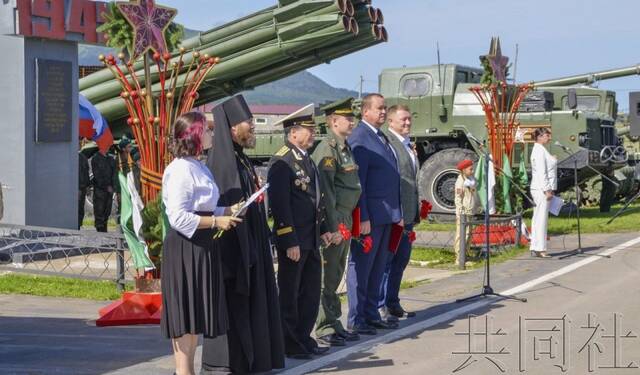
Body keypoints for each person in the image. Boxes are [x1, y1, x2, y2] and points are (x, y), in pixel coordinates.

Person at [201, 95, 285, 374]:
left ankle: (255, 360)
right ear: (233, 127)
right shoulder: (222, 162)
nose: (253, 127)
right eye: (248, 122)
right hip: (232, 254)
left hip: (252, 245)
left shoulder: (241, 159)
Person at [160, 111, 242, 375]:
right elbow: (178, 217)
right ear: (194, 134)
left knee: (195, 316)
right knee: (185, 317)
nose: (211, 135)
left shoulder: (199, 166)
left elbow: (206, 208)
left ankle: (187, 372)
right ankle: (184, 372)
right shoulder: (180, 169)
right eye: (207, 130)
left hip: (201, 246)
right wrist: (216, 223)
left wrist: (228, 211)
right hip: (185, 247)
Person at [267, 104, 332, 359]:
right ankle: (289, 342)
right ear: (293, 133)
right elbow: (280, 206)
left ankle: (303, 337)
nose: (313, 133)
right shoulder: (282, 161)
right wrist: (288, 239)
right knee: (291, 293)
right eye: (309, 129)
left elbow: (316, 199)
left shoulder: (306, 158)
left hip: (311, 237)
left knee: (310, 291)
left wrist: (324, 228)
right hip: (295, 240)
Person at [346, 93, 402, 335]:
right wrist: (364, 216)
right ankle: (356, 317)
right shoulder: (360, 138)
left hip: (386, 215)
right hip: (370, 217)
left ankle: (370, 313)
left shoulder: (379, 137)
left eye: (385, 108)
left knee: (378, 267)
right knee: (361, 266)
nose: (383, 112)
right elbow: (360, 183)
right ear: (365, 111)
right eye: (379, 108)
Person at [312, 98, 362, 347]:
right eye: (347, 118)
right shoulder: (328, 149)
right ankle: (324, 326)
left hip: (345, 217)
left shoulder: (344, 147)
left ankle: (334, 322)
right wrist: (333, 227)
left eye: (352, 118)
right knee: (327, 275)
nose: (352, 122)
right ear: (333, 121)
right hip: (336, 218)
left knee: (336, 273)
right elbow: (327, 193)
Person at [379, 105, 419, 322]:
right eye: (403, 119)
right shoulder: (389, 144)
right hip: (396, 215)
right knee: (387, 261)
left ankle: (393, 302)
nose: (407, 123)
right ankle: (381, 304)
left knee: (401, 260)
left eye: (409, 119)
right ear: (391, 122)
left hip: (408, 215)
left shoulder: (407, 144)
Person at [529, 127, 556, 258]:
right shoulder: (539, 151)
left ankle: (536, 246)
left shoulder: (541, 150)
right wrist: (547, 190)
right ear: (539, 137)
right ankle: (540, 248)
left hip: (539, 188)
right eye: (547, 135)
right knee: (541, 219)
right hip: (541, 189)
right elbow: (541, 172)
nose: (549, 137)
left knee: (538, 218)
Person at [453, 159, 476, 265]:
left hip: (469, 211)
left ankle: (465, 255)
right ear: (463, 170)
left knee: (469, 234)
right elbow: (458, 199)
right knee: (462, 235)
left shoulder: (470, 179)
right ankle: (459, 258)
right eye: (470, 169)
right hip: (463, 213)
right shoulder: (460, 182)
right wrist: (461, 212)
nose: (472, 171)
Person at [90, 145, 117, 232]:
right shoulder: (96, 158)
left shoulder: (111, 159)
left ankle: (104, 227)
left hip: (110, 191)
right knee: (99, 210)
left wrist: (113, 186)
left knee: (107, 211)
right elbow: (97, 175)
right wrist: (107, 186)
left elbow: (114, 174)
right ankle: (100, 228)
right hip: (100, 190)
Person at [78, 139, 90, 229]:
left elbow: (86, 173)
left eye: (80, 142)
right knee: (77, 207)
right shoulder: (72, 156)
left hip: (83, 186)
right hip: (76, 187)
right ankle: (76, 226)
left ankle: (79, 224)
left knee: (81, 207)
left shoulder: (83, 157)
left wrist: (88, 186)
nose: (79, 144)